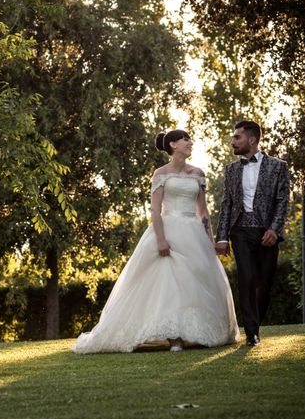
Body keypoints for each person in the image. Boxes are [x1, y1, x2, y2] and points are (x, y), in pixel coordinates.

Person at [72, 130, 240, 354]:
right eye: (185, 139)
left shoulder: (197, 173)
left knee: (194, 282)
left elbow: (203, 211)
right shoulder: (161, 174)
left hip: (193, 233)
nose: (190, 143)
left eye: (189, 139)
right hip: (168, 230)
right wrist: (161, 240)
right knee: (168, 282)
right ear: (173, 144)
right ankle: (175, 338)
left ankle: (199, 332)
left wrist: (210, 243)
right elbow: (155, 209)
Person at [215, 120, 290, 347]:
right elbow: (226, 204)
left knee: (264, 283)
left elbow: (282, 201)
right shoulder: (230, 170)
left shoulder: (278, 166)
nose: (233, 142)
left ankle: (255, 326)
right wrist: (221, 237)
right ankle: (251, 333)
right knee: (246, 279)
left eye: (237, 137)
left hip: (266, 232)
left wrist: (274, 230)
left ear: (252, 139)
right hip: (240, 231)